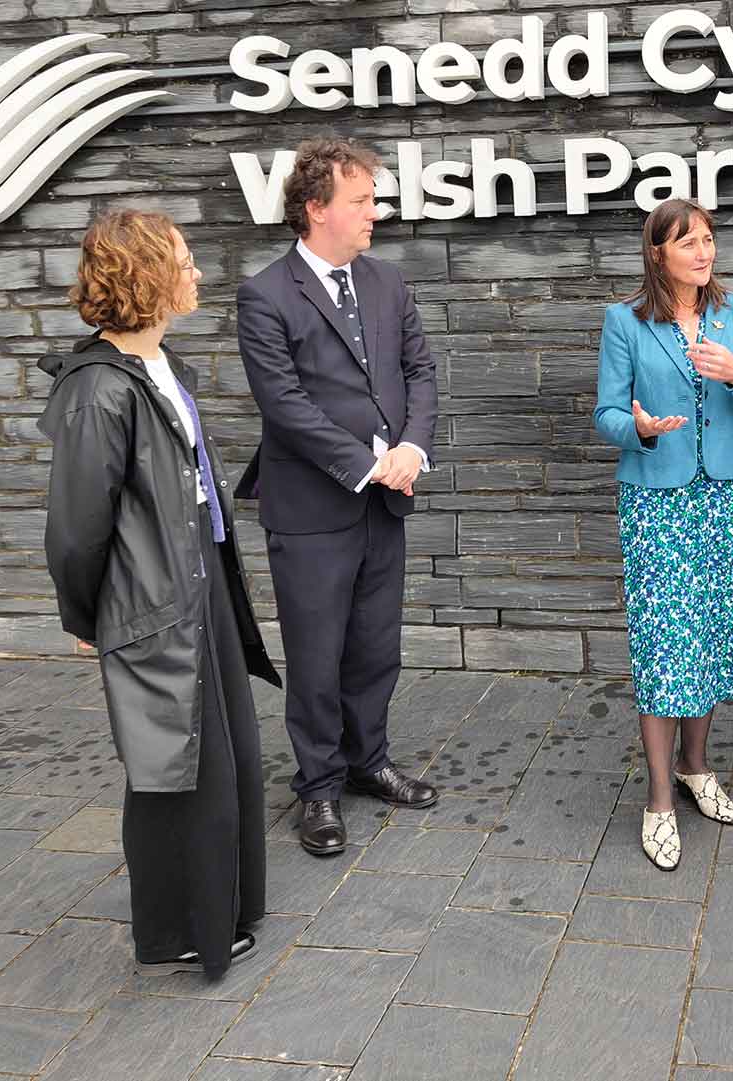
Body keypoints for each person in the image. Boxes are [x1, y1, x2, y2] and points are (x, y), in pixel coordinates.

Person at [40, 209, 281, 979]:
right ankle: (181, 929)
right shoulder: (99, 392)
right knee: (175, 767)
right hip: (153, 602)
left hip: (200, 587)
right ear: (145, 273)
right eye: (185, 259)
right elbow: (78, 528)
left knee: (229, 755)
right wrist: (87, 616)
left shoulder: (161, 368)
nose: (200, 272)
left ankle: (229, 910)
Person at [235, 137, 439, 858]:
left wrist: (411, 449)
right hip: (314, 509)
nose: (373, 213)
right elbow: (285, 405)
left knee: (376, 644)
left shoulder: (387, 283)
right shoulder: (264, 296)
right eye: (360, 201)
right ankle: (318, 785)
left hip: (386, 502)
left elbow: (419, 370)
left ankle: (367, 759)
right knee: (317, 654)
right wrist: (366, 465)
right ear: (316, 208)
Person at [593, 198, 733, 870]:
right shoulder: (625, 322)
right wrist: (641, 428)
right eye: (688, 243)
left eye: (708, 239)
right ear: (658, 253)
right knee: (662, 638)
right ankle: (657, 798)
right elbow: (608, 413)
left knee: (711, 628)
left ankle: (696, 765)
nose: (703, 253)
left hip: (728, 494)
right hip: (657, 498)